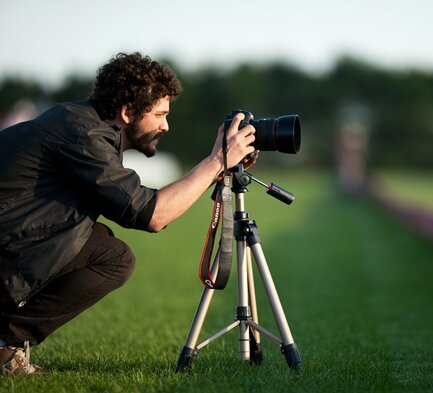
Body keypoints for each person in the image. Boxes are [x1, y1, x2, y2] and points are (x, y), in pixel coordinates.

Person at [0, 52, 257, 376]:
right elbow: (152, 215)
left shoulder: (81, 124)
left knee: (105, 248)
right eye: (160, 114)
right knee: (112, 258)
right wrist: (217, 161)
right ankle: (6, 344)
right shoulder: (83, 135)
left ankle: (7, 345)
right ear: (127, 112)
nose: (166, 125)